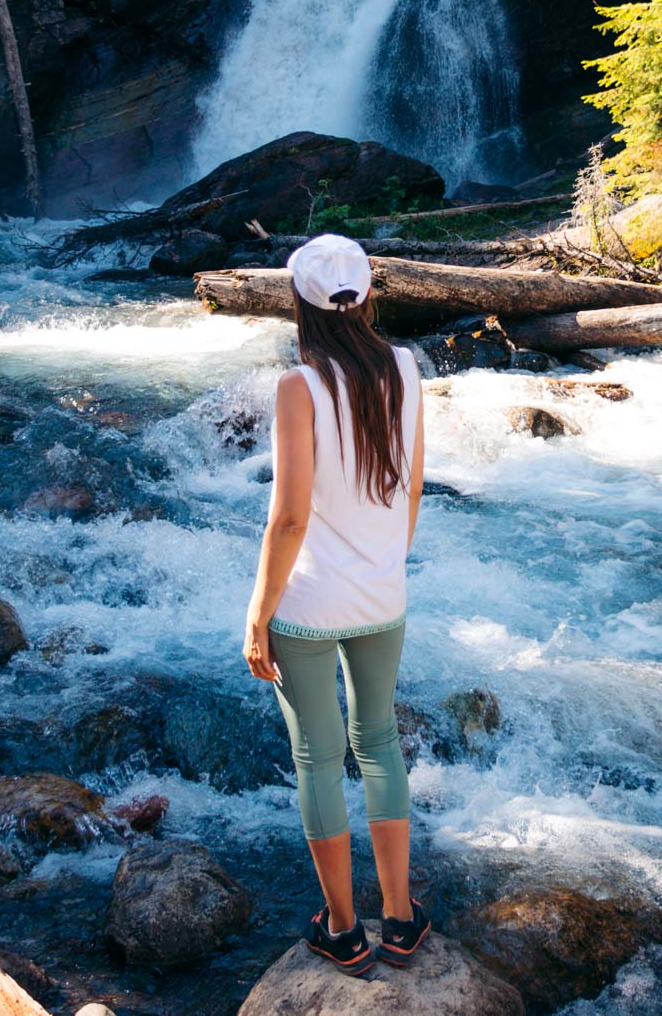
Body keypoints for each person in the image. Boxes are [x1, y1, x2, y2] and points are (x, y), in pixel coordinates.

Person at [242, 233, 430, 976]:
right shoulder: (408, 370)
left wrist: (259, 614)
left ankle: (344, 931)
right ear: (368, 294)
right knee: (379, 744)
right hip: (384, 594)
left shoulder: (299, 387)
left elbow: (288, 518)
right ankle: (401, 916)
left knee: (320, 759)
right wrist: (388, 561)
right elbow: (411, 488)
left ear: (301, 303)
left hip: (311, 604)